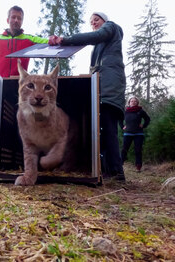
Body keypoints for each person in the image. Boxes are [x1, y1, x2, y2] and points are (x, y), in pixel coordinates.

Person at [49, 12, 126, 181]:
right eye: (91, 22)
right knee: (103, 130)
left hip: (109, 89)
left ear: (105, 21)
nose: (94, 24)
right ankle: (107, 170)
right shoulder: (98, 48)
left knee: (108, 129)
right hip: (102, 89)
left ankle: (117, 171)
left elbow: (96, 36)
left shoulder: (111, 27)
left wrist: (65, 40)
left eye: (96, 20)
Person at [0, 6, 48, 171]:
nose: (16, 20)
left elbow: (47, 42)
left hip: (21, 88)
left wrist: (56, 40)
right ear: (8, 19)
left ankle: (20, 163)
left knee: (22, 122)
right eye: (13, 17)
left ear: (22, 20)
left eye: (19, 18)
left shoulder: (29, 39)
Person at [120, 96, 150, 172]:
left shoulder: (140, 111)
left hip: (138, 133)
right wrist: (122, 126)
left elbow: (147, 119)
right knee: (124, 149)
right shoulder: (125, 111)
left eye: (135, 101)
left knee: (138, 150)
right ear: (129, 103)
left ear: (137, 103)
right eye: (132, 101)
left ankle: (138, 167)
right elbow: (120, 119)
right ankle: (120, 165)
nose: (133, 102)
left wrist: (143, 125)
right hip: (128, 133)